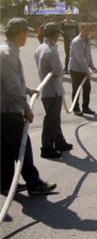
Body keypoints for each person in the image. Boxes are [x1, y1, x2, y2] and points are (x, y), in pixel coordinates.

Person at [1, 18, 57, 196]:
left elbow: (12, 83)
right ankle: (34, 183)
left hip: (4, 109)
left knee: (5, 149)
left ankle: (5, 183)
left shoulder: (8, 51)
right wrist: (26, 107)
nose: (27, 36)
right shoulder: (8, 54)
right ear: (19, 33)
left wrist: (27, 90)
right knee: (23, 146)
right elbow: (11, 87)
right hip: (9, 110)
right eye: (26, 32)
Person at [34, 22, 73, 159]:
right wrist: (61, 71)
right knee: (51, 120)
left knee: (54, 119)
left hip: (48, 90)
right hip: (53, 90)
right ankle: (47, 148)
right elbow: (58, 70)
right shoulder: (51, 50)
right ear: (55, 34)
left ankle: (59, 142)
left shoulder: (40, 48)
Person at [69, 23, 97, 116]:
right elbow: (80, 58)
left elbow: (88, 56)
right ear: (81, 30)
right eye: (85, 30)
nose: (87, 32)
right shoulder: (76, 42)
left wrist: (92, 67)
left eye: (89, 30)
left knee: (87, 88)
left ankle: (85, 108)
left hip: (84, 69)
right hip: (76, 69)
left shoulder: (88, 41)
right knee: (76, 89)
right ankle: (76, 108)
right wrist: (87, 71)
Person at [60, 9, 79, 74]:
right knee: (68, 54)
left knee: (74, 54)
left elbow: (77, 31)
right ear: (65, 15)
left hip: (74, 40)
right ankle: (66, 68)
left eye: (70, 15)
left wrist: (76, 37)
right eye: (68, 15)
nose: (69, 16)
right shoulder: (63, 22)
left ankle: (73, 68)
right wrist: (67, 37)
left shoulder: (74, 22)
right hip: (67, 41)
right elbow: (61, 31)